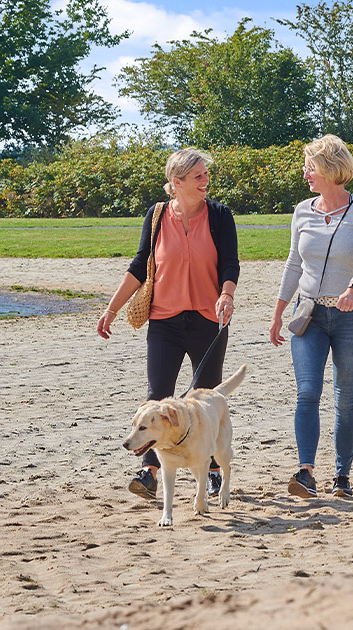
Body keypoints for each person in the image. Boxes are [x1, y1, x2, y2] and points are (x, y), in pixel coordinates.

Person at [97, 148, 239, 501]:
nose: (206, 181)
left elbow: (230, 263)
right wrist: (112, 310)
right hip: (164, 321)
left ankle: (213, 473)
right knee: (157, 394)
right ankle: (149, 471)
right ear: (176, 183)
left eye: (206, 175)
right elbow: (139, 264)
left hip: (209, 319)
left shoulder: (220, 216)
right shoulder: (158, 215)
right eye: (198, 176)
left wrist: (226, 294)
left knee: (206, 398)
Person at [269, 134, 353, 499]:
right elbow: (293, 263)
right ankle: (305, 473)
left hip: (352, 316)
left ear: (331, 169)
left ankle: (342, 477)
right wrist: (278, 311)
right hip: (309, 314)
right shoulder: (302, 211)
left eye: (310, 167)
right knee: (307, 393)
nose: (306, 175)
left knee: (346, 400)